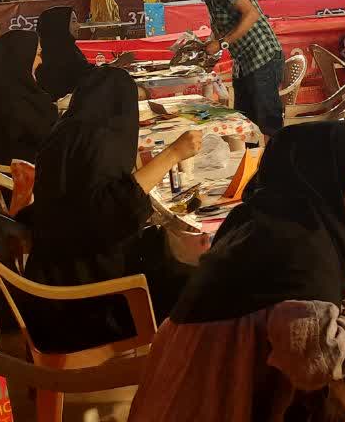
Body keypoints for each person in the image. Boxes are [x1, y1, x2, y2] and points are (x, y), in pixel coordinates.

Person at [128, 122, 345, 422]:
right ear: (326, 180)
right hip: (207, 408)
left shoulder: (267, 217)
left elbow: (271, 294)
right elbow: (316, 365)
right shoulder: (300, 251)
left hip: (175, 393)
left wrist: (341, 264)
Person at [16, 67, 204, 351]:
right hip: (85, 308)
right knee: (201, 282)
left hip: (52, 288)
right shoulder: (100, 142)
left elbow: (88, 208)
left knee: (166, 248)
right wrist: (173, 154)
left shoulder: (63, 133)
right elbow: (114, 213)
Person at [170, 0, 285, 139]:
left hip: (262, 57)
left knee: (268, 125)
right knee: (244, 124)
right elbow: (222, 28)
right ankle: (255, 156)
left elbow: (252, 14)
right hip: (245, 62)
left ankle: (278, 156)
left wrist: (222, 43)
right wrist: (204, 47)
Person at [0, 30, 57, 166]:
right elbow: (52, 136)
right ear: (21, 59)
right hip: (21, 175)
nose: (40, 61)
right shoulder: (17, 105)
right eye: (37, 54)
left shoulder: (4, 94)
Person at [34, 6, 94, 100]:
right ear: (60, 25)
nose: (78, 26)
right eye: (73, 21)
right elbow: (89, 76)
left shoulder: (67, 48)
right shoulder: (61, 55)